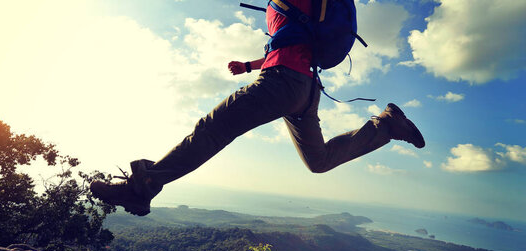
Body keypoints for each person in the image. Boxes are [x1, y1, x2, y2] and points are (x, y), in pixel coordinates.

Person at [90, 0, 425, 216]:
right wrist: (249, 66)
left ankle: (144, 186)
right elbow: (291, 43)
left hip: (283, 83)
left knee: (212, 129)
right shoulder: (290, 11)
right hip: (306, 88)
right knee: (318, 161)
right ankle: (386, 125)